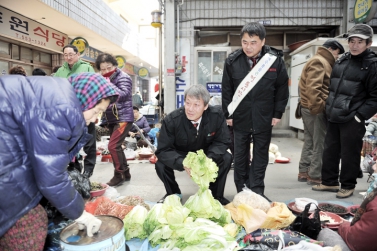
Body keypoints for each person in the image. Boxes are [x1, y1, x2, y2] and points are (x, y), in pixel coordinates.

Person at [0, 72, 118, 250]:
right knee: (28, 226)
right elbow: (51, 176)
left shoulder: (52, 96)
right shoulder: (62, 108)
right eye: (97, 111)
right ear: (85, 100)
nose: (95, 119)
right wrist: (80, 213)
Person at [221, 22, 289, 200]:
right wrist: (228, 115)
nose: (248, 47)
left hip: (264, 115)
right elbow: (226, 90)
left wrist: (277, 113)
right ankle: (242, 191)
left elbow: (282, 89)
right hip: (240, 116)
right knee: (240, 156)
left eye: (253, 42)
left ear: (262, 41)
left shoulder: (274, 60)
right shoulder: (232, 61)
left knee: (261, 155)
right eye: (244, 42)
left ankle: (257, 190)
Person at [312, 24, 377, 199]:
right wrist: (328, 107)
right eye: (352, 41)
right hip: (334, 114)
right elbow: (333, 87)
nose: (354, 45)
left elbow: (375, 97)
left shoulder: (372, 65)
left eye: (360, 42)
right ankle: (329, 181)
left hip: (352, 117)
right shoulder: (343, 59)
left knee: (350, 153)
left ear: (368, 43)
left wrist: (359, 116)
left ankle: (347, 185)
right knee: (330, 150)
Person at [155, 84, 232, 205]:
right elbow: (163, 150)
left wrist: (208, 159)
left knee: (226, 158)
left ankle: (215, 195)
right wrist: (182, 162)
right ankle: (173, 194)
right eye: (188, 103)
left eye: (196, 104)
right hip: (182, 154)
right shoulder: (172, 120)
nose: (190, 109)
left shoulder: (216, 116)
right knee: (161, 164)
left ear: (206, 106)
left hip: (206, 152)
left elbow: (222, 141)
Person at [297, 40, 345, 186]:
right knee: (320, 143)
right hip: (314, 109)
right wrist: (319, 108)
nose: (337, 57)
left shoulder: (318, 60)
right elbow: (313, 88)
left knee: (310, 141)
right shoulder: (320, 61)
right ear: (331, 49)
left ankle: (304, 171)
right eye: (337, 53)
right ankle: (315, 175)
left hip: (308, 108)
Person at [54, 45, 97, 178]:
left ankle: (89, 170)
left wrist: (94, 111)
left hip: (85, 110)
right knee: (71, 142)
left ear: (78, 54)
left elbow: (93, 89)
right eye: (65, 55)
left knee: (89, 142)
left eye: (71, 54)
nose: (68, 57)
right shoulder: (60, 71)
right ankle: (75, 168)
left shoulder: (87, 67)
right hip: (67, 113)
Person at [96, 53, 134, 186]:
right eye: (103, 69)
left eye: (108, 67)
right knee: (116, 147)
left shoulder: (123, 77)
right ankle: (126, 172)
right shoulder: (103, 78)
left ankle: (119, 175)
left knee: (113, 146)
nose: (106, 71)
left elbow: (124, 94)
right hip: (112, 117)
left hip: (123, 117)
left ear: (114, 65)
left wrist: (108, 85)